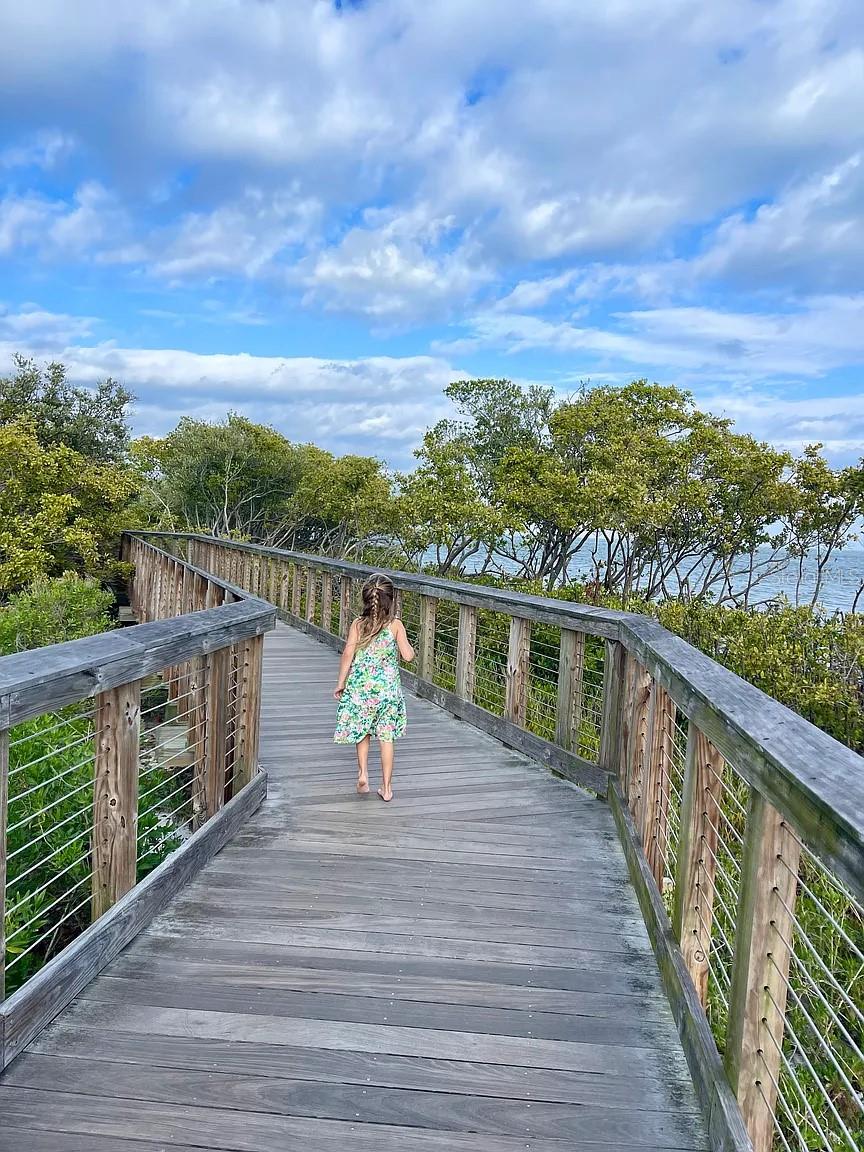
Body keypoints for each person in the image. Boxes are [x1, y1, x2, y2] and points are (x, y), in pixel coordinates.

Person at [333, 573, 414, 802]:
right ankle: (387, 788)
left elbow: (348, 653)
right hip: (388, 692)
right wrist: (410, 648)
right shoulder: (395, 625)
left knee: (362, 731)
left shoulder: (358, 624)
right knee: (386, 737)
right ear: (391, 599)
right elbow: (407, 656)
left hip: (360, 689)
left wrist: (341, 682)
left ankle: (362, 774)